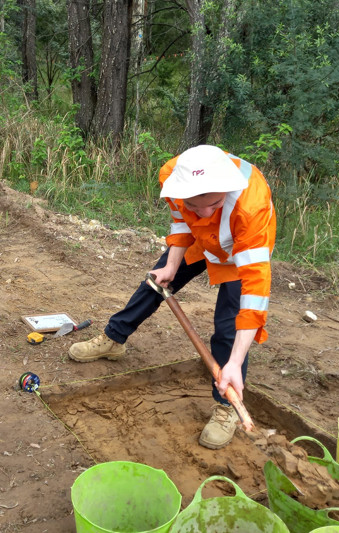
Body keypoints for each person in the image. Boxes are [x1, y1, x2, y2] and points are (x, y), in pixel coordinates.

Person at [69, 145, 276, 449]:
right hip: (201, 238)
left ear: (227, 190)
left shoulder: (251, 208)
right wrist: (172, 264)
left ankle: (226, 403)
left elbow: (255, 296)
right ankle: (113, 339)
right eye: (195, 204)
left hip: (237, 248)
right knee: (155, 282)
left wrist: (235, 360)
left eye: (215, 203)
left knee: (228, 325)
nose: (204, 211)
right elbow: (183, 221)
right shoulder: (173, 176)